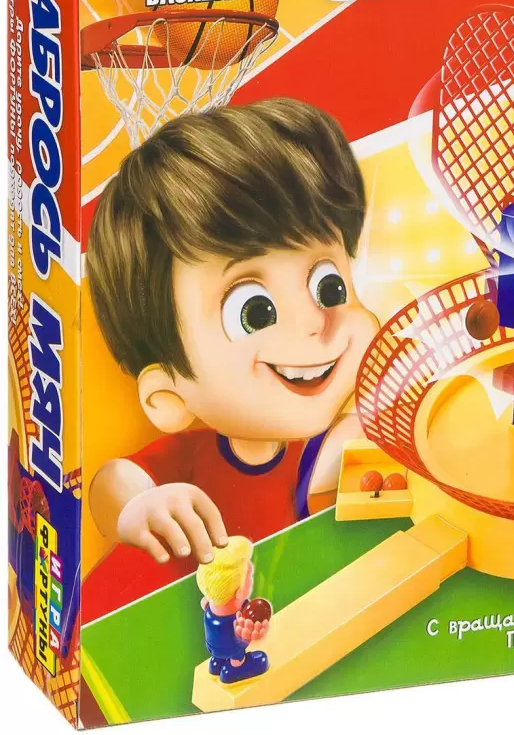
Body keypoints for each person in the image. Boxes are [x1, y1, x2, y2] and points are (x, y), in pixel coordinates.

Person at [83, 98, 378, 619]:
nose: (315, 321)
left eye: (328, 285)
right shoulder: (192, 462)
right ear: (167, 397)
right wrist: (138, 508)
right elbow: (113, 483)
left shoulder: (335, 444)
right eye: (255, 311)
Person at [196, 536, 270, 685]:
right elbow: (243, 591)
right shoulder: (237, 600)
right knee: (236, 651)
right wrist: (248, 573)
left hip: (213, 644)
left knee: (220, 650)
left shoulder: (210, 605)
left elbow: (203, 602)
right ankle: (236, 667)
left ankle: (217, 662)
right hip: (232, 642)